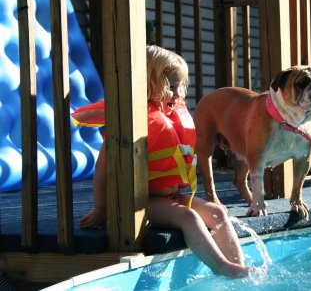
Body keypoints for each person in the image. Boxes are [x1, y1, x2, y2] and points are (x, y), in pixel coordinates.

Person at [71, 45, 251, 278]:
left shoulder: (168, 115)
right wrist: (102, 208)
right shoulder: (132, 123)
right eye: (171, 87)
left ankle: (238, 267)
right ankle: (221, 267)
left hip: (170, 197)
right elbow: (103, 168)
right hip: (141, 203)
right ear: (148, 83)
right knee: (189, 217)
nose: (178, 94)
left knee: (217, 212)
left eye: (180, 87)